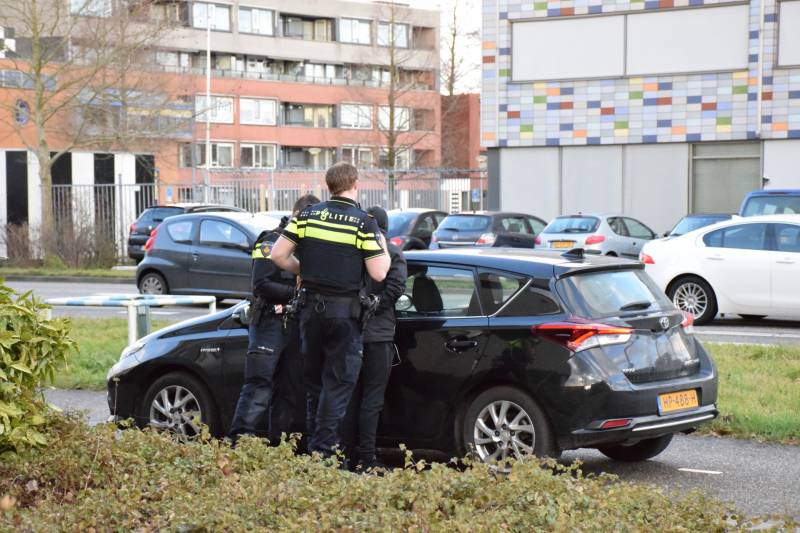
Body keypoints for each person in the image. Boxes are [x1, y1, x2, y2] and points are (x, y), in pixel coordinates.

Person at [271, 162, 390, 458]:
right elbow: (378, 273)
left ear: (329, 185)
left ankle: (316, 451)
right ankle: (324, 453)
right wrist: (383, 247)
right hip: (343, 315)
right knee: (337, 386)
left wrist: (304, 269)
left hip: (310, 311)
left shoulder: (308, 215)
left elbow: (278, 255)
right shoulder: (364, 222)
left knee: (315, 386)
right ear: (355, 184)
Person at [228, 194, 320, 444]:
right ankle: (239, 444)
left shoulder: (307, 247)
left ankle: (278, 449)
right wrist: (297, 292)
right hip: (269, 323)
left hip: (295, 326)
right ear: (297, 215)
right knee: (259, 386)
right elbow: (261, 284)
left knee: (288, 391)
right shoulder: (271, 241)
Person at [341, 206, 407, 471]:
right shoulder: (392, 252)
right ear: (386, 228)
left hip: (350, 333)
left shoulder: (352, 251)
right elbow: (396, 288)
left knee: (348, 397)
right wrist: (376, 305)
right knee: (372, 399)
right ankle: (367, 460)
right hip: (378, 337)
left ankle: (344, 456)